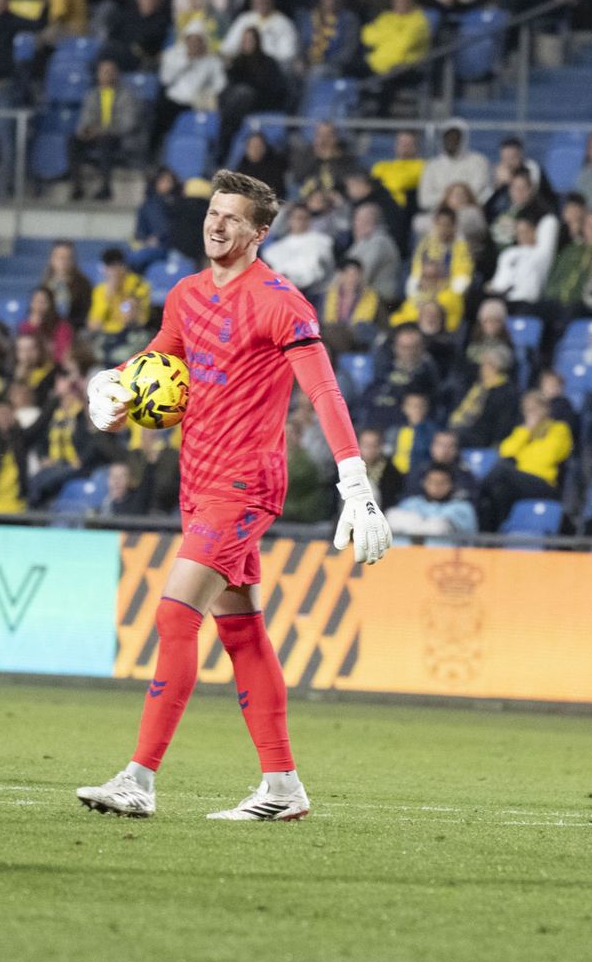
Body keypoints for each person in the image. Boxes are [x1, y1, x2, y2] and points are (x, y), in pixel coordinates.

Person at [78, 169, 391, 821]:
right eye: (212, 214)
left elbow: (324, 391)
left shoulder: (282, 302)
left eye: (231, 218)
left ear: (259, 233)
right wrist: (108, 390)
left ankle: (139, 779)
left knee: (174, 617)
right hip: (198, 481)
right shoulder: (185, 294)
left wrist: (355, 482)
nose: (216, 225)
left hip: (245, 484)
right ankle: (282, 787)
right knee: (242, 633)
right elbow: (153, 364)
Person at [475, 391, 572, 532]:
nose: (531, 414)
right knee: (497, 492)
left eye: (535, 409)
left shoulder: (558, 429)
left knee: (501, 470)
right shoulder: (522, 431)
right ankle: (495, 535)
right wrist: (527, 431)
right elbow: (505, 452)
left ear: (546, 409)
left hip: (545, 483)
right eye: (527, 410)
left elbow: (551, 456)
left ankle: (475, 492)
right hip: (519, 483)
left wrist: (536, 432)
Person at [71, 58, 141, 201]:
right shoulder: (91, 95)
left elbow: (128, 124)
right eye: (104, 72)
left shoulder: (126, 95)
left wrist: (101, 131)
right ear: (98, 74)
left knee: (105, 141)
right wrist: (85, 131)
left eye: (110, 72)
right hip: (96, 136)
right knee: (73, 140)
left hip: (118, 138)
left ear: (117, 74)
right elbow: (85, 119)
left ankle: (105, 187)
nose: (107, 75)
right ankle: (77, 186)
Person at [386, 465, 478, 539]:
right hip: (407, 554)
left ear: (451, 485)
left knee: (438, 526)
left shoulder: (463, 508)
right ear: (424, 483)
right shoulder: (410, 503)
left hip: (445, 554)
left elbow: (467, 536)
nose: (436, 486)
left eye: (442, 482)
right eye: (432, 481)